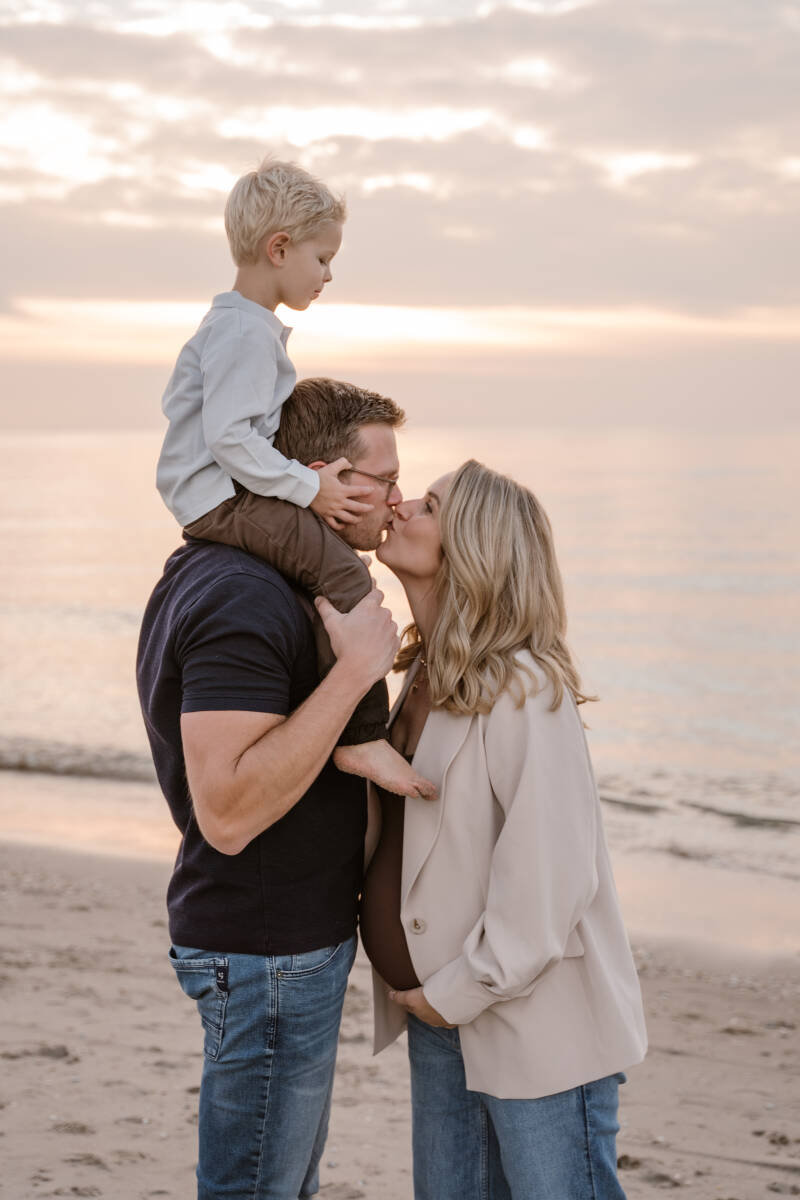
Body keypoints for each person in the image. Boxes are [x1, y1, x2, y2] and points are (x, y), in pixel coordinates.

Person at [137, 378, 427, 1200]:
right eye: (382, 478)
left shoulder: (258, 577)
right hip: (266, 950)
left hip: (283, 944)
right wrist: (360, 674)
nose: (396, 499)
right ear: (319, 474)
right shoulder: (242, 594)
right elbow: (226, 812)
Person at [360, 459, 648, 1199]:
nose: (399, 504)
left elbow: (551, 878)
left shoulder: (525, 689)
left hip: (525, 1019)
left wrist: (457, 990)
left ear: (471, 545)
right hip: (439, 1015)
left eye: (426, 504)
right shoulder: (420, 676)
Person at [155, 156, 430, 801]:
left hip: (220, 493)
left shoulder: (242, 328)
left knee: (320, 575)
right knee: (348, 576)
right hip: (222, 498)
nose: (329, 274)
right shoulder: (244, 334)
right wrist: (311, 488)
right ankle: (363, 737)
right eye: (323, 258)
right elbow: (229, 438)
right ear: (279, 248)